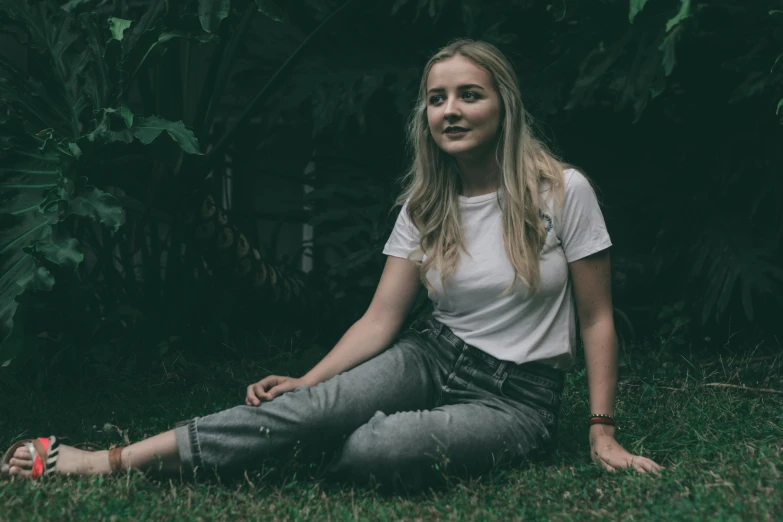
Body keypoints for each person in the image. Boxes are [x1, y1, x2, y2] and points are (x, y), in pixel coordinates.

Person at [1, 39, 662, 487]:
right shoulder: (425, 203)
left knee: (375, 449)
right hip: (434, 354)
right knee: (313, 410)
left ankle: (296, 439)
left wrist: (600, 432)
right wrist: (310, 383)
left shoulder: (562, 191)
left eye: (468, 95)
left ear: (503, 104)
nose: (450, 111)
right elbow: (381, 318)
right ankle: (104, 460)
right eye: (437, 99)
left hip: (515, 398)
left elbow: (596, 318)